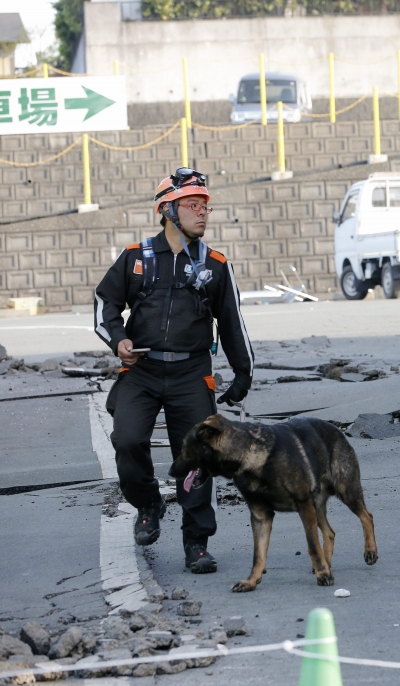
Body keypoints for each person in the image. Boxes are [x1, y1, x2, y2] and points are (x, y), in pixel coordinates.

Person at [94, 168, 254, 574]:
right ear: (167, 210)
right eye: (192, 205)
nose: (203, 213)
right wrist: (118, 341)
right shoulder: (135, 259)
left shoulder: (216, 266)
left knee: (198, 458)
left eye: (205, 206)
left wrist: (242, 374)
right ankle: (148, 502)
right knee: (127, 440)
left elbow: (233, 323)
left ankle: (196, 542)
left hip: (191, 375)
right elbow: (104, 304)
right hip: (142, 371)